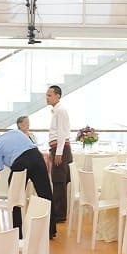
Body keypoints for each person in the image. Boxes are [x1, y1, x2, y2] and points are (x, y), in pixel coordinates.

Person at [0, 127, 54, 237]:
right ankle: (50, 230)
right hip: (37, 156)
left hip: (21, 162)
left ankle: (18, 232)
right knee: (46, 194)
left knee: (14, 197)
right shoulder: (13, 132)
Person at [46, 84, 72, 228]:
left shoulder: (60, 110)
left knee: (59, 181)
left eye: (49, 95)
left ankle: (59, 214)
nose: (47, 98)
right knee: (58, 181)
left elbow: (62, 132)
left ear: (58, 96)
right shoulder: (57, 110)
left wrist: (59, 153)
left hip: (60, 148)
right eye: (47, 95)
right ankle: (58, 213)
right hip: (57, 147)